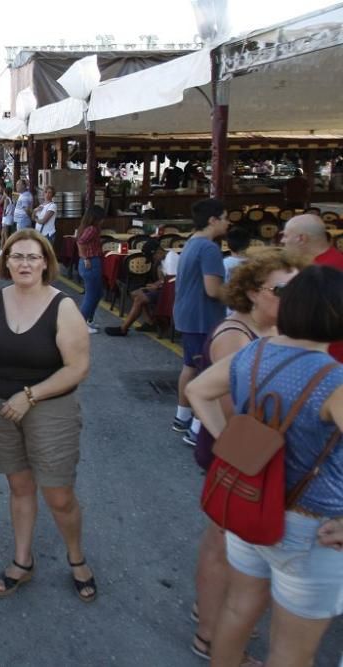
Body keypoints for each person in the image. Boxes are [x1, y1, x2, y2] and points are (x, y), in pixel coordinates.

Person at [186, 265, 343, 667]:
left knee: (238, 610)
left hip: (249, 503)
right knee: (292, 651)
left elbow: (197, 391)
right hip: (311, 527)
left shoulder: (253, 353)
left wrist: (230, 444)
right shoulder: (333, 380)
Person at [0, 229, 96, 603]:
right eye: (17, 256)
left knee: (58, 493)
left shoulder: (62, 306)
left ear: (46, 262)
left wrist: (30, 396)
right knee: (19, 487)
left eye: (33, 257)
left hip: (51, 408)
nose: (25, 264)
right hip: (3, 405)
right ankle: (22, 560)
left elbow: (78, 367)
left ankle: (77, 557)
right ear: (6, 261)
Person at [172, 198, 230, 440]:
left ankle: (182, 417)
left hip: (187, 313)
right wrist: (243, 296)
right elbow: (213, 289)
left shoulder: (192, 242)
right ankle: (197, 429)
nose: (228, 223)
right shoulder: (209, 248)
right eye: (225, 218)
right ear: (213, 220)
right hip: (202, 317)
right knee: (209, 373)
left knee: (191, 367)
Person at [282, 213, 343, 363]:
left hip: (327, 357)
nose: (282, 241)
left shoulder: (319, 273)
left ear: (301, 239)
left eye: (285, 236)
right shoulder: (336, 261)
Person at [104, 240, 168, 336]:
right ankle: (150, 322)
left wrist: (157, 286)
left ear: (158, 251)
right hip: (165, 289)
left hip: (170, 293)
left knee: (139, 299)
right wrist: (157, 283)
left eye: (153, 257)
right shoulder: (164, 259)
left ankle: (123, 329)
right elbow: (167, 279)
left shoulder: (171, 259)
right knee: (135, 293)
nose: (154, 260)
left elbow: (173, 282)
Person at [75, 205, 106, 333]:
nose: (103, 220)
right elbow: (80, 242)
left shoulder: (88, 228)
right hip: (91, 262)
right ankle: (82, 323)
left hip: (91, 261)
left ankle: (89, 319)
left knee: (97, 293)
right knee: (92, 295)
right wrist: (85, 257)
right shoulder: (92, 229)